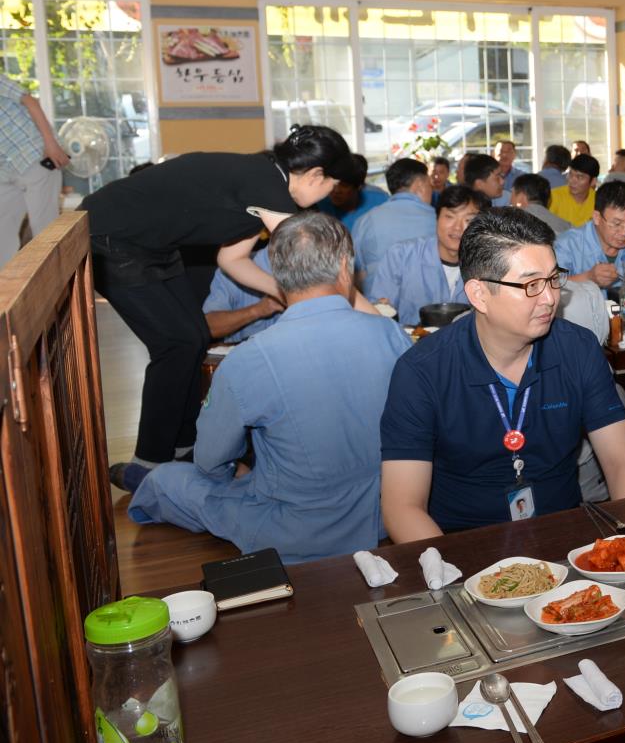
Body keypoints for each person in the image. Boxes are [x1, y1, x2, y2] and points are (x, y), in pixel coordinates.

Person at [121, 212, 412, 562]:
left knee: (170, 479)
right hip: (386, 515)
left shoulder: (249, 359)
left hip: (299, 531)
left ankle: (140, 482)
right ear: (345, 267)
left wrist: (237, 471)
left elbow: (210, 459)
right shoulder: (391, 335)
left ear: (277, 273)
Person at [85, 124, 351, 478]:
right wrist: (356, 313)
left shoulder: (262, 179)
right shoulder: (270, 186)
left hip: (152, 244)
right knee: (175, 344)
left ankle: (184, 447)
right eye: (330, 187)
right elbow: (312, 268)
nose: (325, 198)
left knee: (194, 337)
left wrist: (278, 291)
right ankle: (149, 462)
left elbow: (232, 260)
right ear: (317, 174)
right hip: (111, 236)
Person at [379, 208, 625, 540]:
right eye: (531, 285)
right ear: (479, 294)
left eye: (552, 279)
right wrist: (451, 580)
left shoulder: (578, 349)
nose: (550, 298)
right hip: (463, 547)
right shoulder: (422, 371)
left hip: (565, 536)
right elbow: (402, 506)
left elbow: (622, 462)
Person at [364, 185, 487, 324]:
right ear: (437, 218)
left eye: (469, 220)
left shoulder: (487, 265)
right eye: (450, 216)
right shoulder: (401, 256)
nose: (457, 227)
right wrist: (382, 307)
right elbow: (380, 310)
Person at [0, 72, 70, 264]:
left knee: (44, 232)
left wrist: (51, 144)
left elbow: (31, 102)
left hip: (34, 157)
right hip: (5, 169)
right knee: (2, 234)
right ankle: (6, 289)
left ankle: (56, 290)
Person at [553, 180, 625, 291]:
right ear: (597, 218)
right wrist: (588, 277)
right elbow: (552, 286)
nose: (624, 233)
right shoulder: (567, 244)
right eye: (616, 224)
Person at [351, 157, 438, 273]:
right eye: (430, 185)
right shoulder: (438, 222)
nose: (432, 190)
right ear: (420, 185)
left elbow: (355, 269)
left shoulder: (364, 221)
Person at [201, 247, 281, 343]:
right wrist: (259, 310)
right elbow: (209, 326)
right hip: (242, 351)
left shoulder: (302, 265)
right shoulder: (233, 267)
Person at [316, 153, 387, 227]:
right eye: (333, 184)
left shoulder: (380, 201)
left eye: (344, 185)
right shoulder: (321, 203)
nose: (336, 191)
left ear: (359, 186)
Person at [507, 172, 571, 236]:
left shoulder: (512, 224)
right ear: (549, 200)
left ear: (521, 197)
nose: (510, 201)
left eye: (512, 193)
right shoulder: (567, 226)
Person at [548, 152, 599, 227]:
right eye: (570, 174)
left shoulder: (599, 201)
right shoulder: (553, 197)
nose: (572, 181)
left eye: (580, 177)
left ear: (593, 181)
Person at [490, 139, 524, 207]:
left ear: (514, 154)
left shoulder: (522, 177)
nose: (504, 155)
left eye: (509, 152)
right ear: (493, 154)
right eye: (501, 151)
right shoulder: (487, 176)